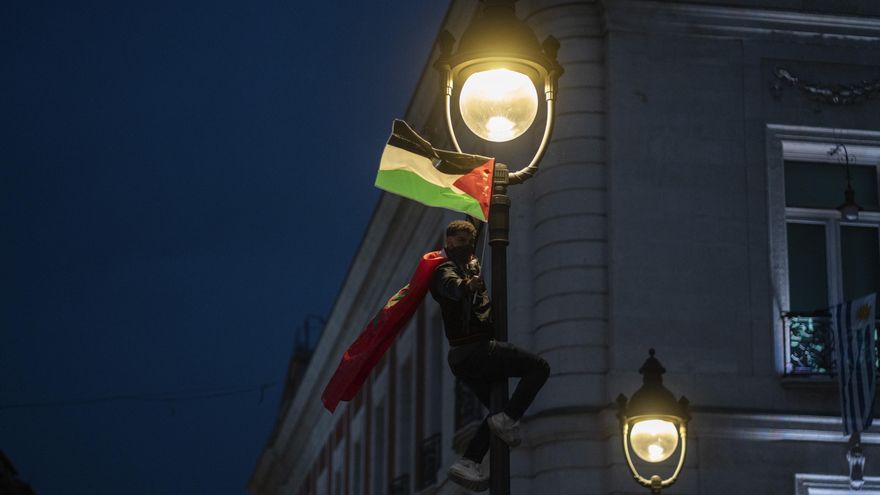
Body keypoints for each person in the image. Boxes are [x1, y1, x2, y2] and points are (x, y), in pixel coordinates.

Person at [430, 220, 550, 492]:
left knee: (498, 409)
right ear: (448, 241)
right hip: (476, 350)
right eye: (456, 241)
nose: (459, 246)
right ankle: (507, 421)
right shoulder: (444, 269)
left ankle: (469, 460)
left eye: (466, 242)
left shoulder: (467, 265)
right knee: (539, 368)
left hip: (463, 358)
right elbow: (450, 286)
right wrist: (466, 286)